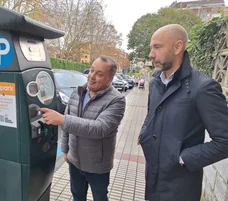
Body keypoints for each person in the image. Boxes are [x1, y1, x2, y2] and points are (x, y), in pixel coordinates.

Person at [138, 24, 228, 201]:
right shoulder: (156, 82)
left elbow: (225, 141)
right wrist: (144, 132)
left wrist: (183, 158)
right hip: (153, 179)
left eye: (157, 47)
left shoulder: (203, 88)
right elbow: (152, 113)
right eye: (151, 48)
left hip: (180, 188)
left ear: (177, 47)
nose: (151, 54)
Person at [39, 56, 126, 201]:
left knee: (100, 197)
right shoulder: (78, 92)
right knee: (77, 196)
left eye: (99, 74)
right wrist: (65, 149)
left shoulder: (116, 100)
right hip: (75, 161)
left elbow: (100, 128)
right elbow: (67, 126)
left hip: (97, 165)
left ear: (110, 79)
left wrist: (62, 119)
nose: (92, 76)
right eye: (91, 70)